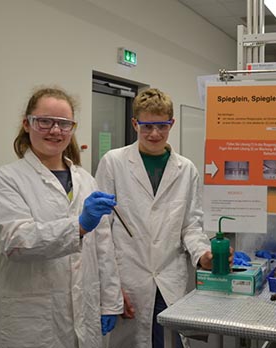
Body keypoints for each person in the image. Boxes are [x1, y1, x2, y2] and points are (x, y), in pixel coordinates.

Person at [0, 87, 124, 348]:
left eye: (64, 124)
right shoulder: (5, 180)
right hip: (33, 322)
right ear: (27, 124)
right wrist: (78, 226)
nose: (55, 131)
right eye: (45, 121)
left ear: (72, 128)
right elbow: (15, 241)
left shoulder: (86, 180)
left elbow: (104, 248)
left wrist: (111, 302)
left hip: (85, 311)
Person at [96, 88, 227, 348]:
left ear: (172, 124)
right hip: (129, 280)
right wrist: (111, 289)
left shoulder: (186, 169)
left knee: (170, 342)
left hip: (169, 279)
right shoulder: (114, 163)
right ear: (135, 123)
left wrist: (203, 255)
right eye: (147, 126)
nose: (154, 133)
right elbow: (102, 232)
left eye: (162, 126)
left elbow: (191, 224)